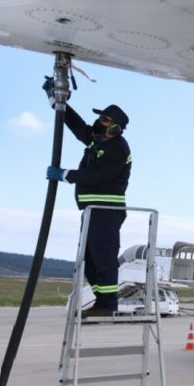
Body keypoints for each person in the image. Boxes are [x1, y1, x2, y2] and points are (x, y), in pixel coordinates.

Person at [45, 97, 132, 319]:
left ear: (115, 127)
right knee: (89, 259)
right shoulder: (98, 142)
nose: (99, 121)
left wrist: (66, 175)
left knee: (103, 258)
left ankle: (107, 304)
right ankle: (102, 300)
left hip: (107, 211)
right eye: (100, 117)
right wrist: (58, 103)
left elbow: (97, 175)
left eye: (105, 119)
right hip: (93, 210)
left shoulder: (117, 149)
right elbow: (77, 127)